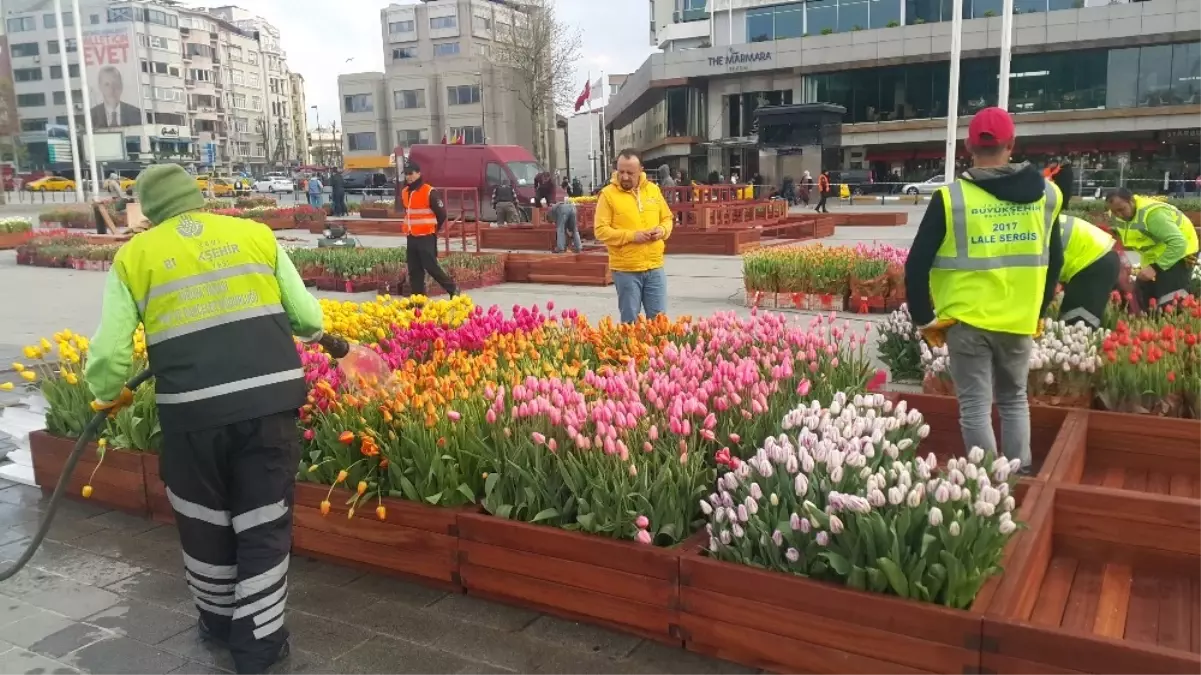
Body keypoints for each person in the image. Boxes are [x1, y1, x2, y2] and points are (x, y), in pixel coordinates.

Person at [83, 164, 332, 675]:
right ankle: (260, 647)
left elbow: (109, 355)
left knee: (204, 520)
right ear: (196, 196)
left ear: (148, 209)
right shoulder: (255, 234)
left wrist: (106, 395)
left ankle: (218, 625)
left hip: (192, 413)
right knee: (264, 523)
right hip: (268, 405)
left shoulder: (135, 256)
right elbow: (308, 320)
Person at [904, 106, 1064, 473]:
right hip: (1019, 318)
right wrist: (1038, 312)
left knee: (975, 405)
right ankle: (1020, 474)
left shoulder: (951, 199)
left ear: (967, 146)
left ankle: (989, 484)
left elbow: (915, 265)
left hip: (966, 321)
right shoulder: (1048, 196)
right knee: (1014, 400)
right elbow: (1053, 261)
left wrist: (925, 321)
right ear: (1012, 144)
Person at [594, 149, 673, 323]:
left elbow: (667, 218)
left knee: (660, 323)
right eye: (621, 171)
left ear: (641, 171)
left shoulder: (653, 190)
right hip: (626, 270)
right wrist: (632, 236)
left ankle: (657, 351)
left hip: (655, 267)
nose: (625, 177)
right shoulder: (608, 195)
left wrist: (662, 230)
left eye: (630, 173)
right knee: (630, 324)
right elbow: (600, 230)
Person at [1105, 188, 1199, 308]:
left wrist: (1156, 267)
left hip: (1179, 254)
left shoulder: (1153, 215)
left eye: (1121, 209)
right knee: (1146, 298)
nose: (1119, 215)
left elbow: (1178, 243)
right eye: (1114, 212)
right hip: (1154, 257)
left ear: (1131, 201)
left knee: (1170, 299)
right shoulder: (1117, 215)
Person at [400, 163, 458, 297]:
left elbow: (442, 214)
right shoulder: (405, 192)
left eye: (411, 173)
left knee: (431, 266)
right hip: (411, 236)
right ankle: (417, 300)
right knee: (414, 270)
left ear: (419, 173)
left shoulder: (429, 191)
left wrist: (434, 229)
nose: (408, 177)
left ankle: (453, 289)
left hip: (426, 236)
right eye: (406, 174)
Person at [1058, 214, 1120, 328]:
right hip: (1093, 256)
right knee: (1067, 324)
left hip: (1093, 263)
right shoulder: (1033, 218)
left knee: (1077, 326)